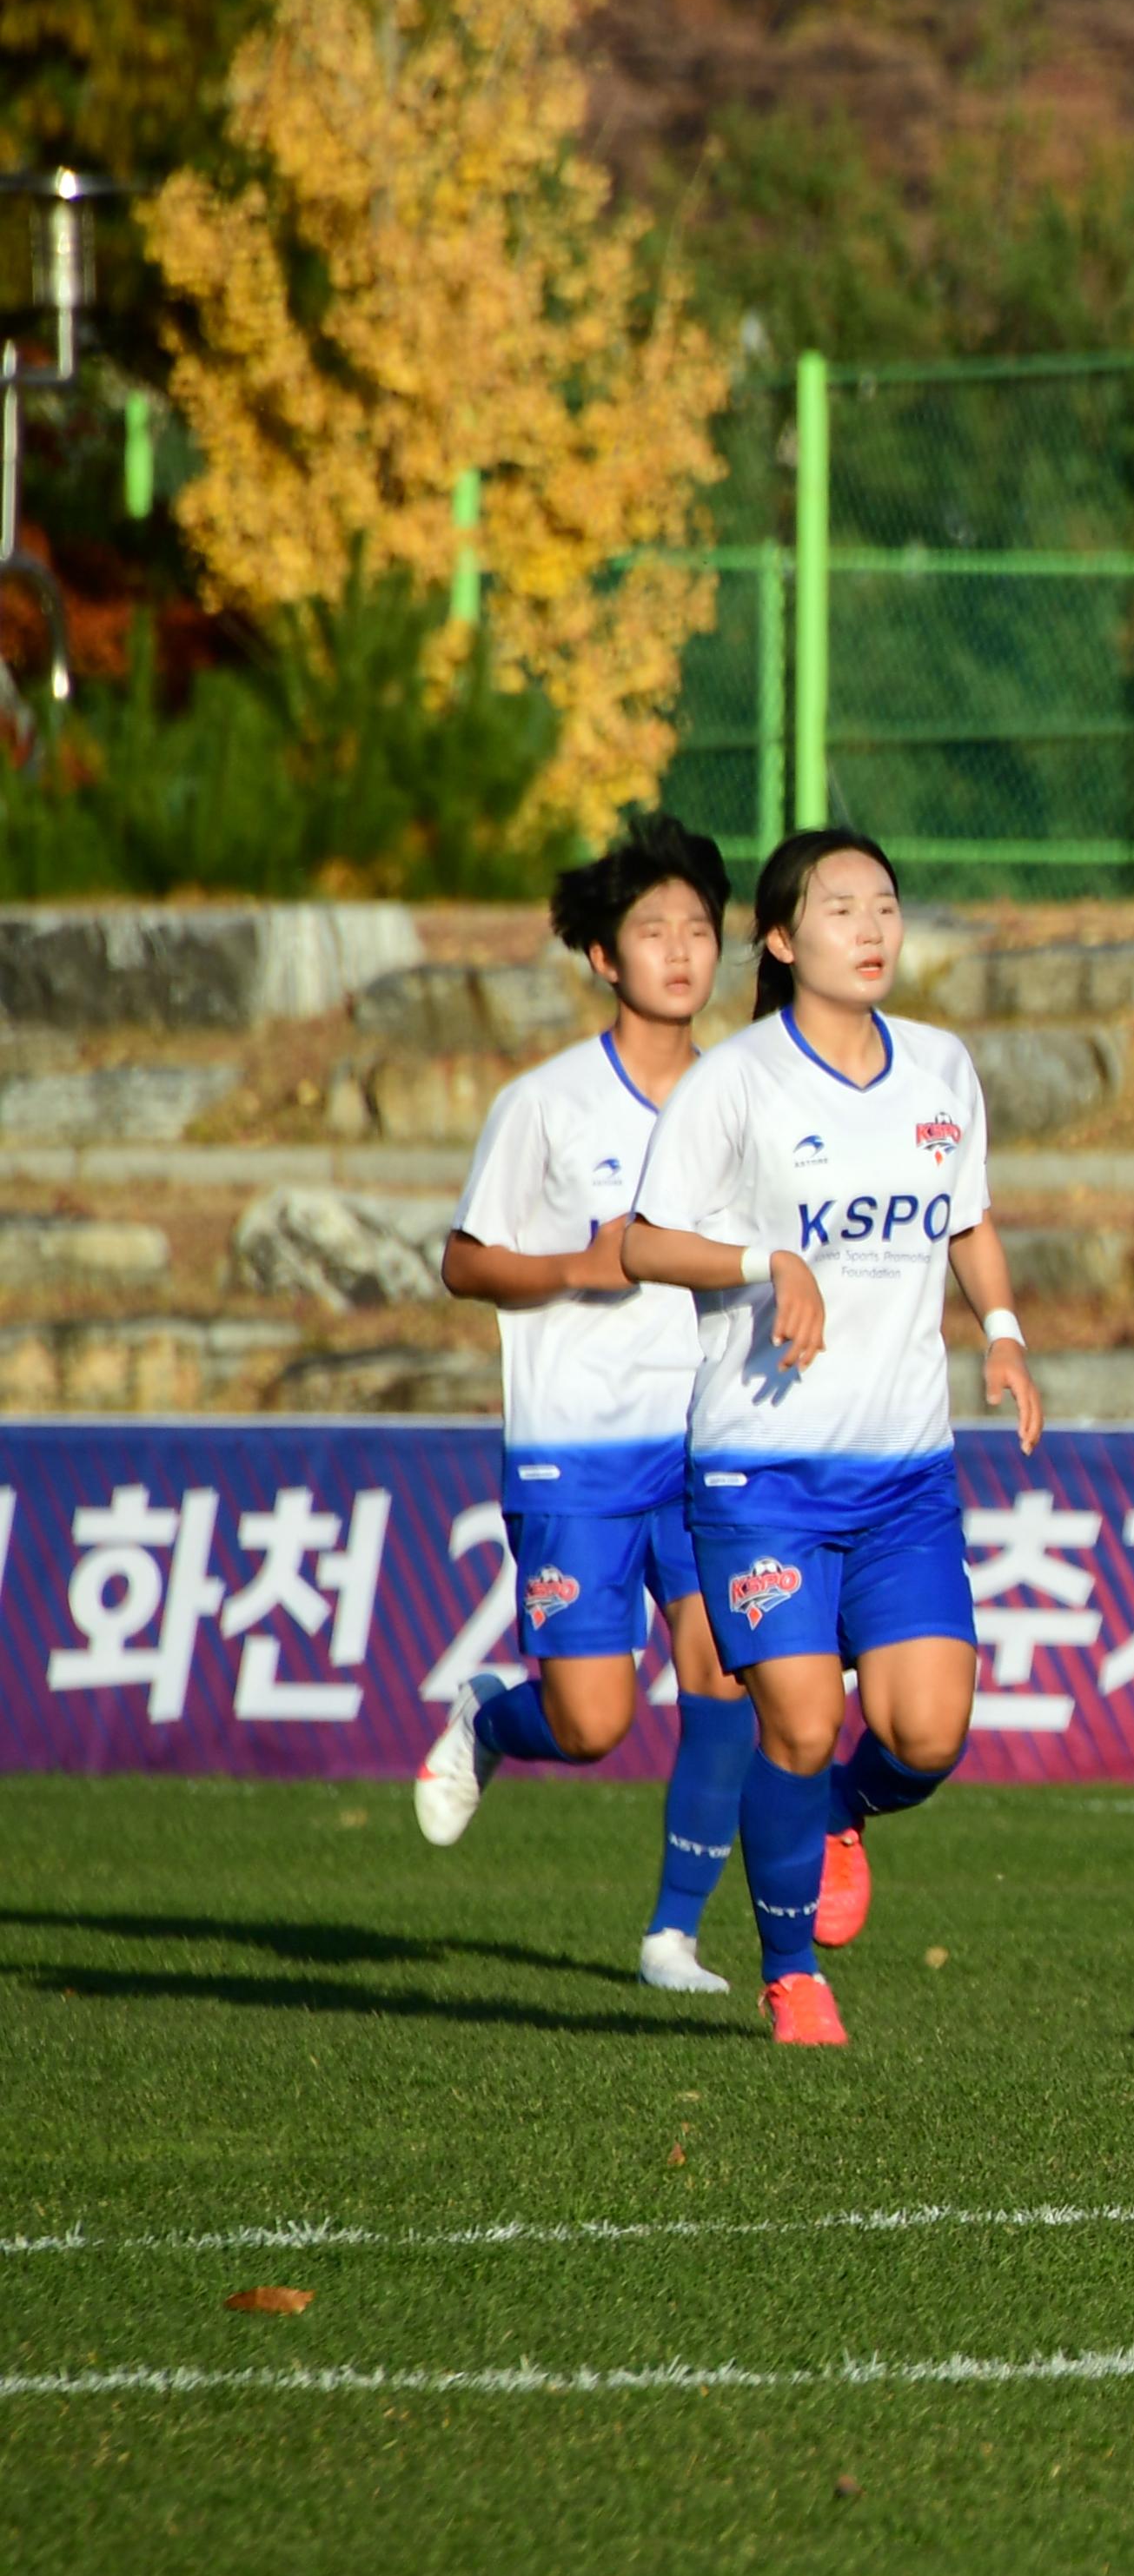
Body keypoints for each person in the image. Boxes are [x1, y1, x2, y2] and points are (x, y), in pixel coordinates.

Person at [620, 827, 1042, 2048]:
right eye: (841, 909)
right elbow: (644, 1242)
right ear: (784, 939)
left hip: (906, 1474)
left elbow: (968, 1222)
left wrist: (1003, 1332)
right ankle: (792, 1970)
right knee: (798, 1722)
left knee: (929, 1734)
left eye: (887, 907)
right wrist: (767, 1260)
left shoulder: (943, 1070)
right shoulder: (738, 1081)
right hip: (761, 1474)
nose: (871, 929)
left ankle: (845, 1811)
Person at [410, 815, 764, 1995]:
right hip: (576, 1449)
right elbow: (463, 1262)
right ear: (604, 958)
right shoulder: (546, 1106)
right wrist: (577, 1264)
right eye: (653, 931)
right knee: (595, 1720)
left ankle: (673, 1934)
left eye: (701, 931)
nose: (681, 952)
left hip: (707, 1441)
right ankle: (489, 1720)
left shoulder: (747, 1101)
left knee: (725, 1672)